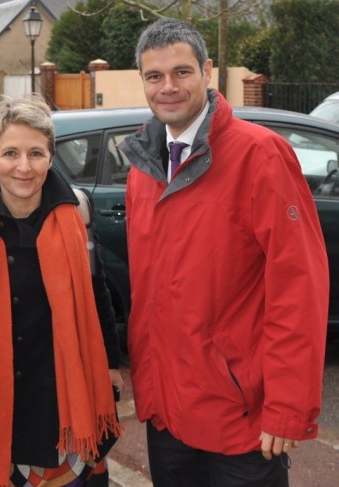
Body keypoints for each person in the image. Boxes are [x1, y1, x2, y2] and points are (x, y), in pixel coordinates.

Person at [117, 18, 329, 487]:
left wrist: (288, 407)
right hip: (167, 415)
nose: (168, 87)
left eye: (182, 72)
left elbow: (300, 288)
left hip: (241, 420)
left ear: (207, 72)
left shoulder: (261, 156)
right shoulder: (142, 166)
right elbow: (149, 293)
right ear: (143, 82)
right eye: (155, 76)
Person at [0, 94, 123, 486]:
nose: (23, 167)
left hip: (59, 400)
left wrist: (109, 363)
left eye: (36, 153)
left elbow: (97, 294)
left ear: (50, 156)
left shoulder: (75, 216)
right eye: (10, 153)